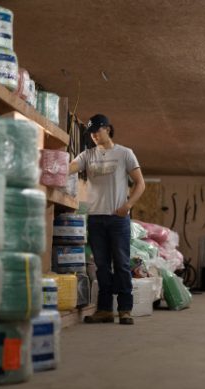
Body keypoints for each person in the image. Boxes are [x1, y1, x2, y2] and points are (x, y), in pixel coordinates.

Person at [68, 114, 145, 325]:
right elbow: (69, 168)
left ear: (108, 129)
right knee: (101, 266)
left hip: (117, 219)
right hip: (95, 218)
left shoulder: (124, 154)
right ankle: (104, 310)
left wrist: (128, 206)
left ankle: (125, 310)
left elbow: (140, 183)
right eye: (91, 133)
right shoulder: (87, 155)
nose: (93, 136)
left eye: (97, 131)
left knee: (121, 264)